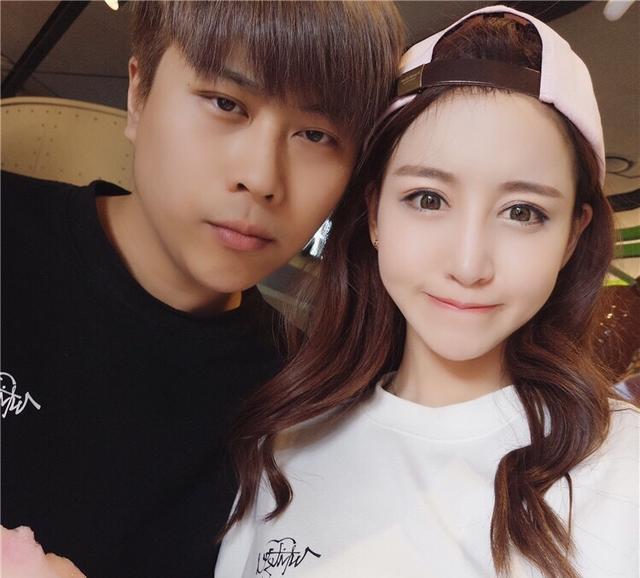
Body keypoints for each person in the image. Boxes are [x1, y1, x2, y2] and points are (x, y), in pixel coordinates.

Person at [217, 5, 639, 578]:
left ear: (571, 236)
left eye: (522, 212)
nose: (468, 265)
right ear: (374, 214)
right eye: (428, 199)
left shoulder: (622, 475)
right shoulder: (287, 435)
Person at [0, 2, 405, 577]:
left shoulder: (305, 402)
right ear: (138, 93)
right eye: (226, 103)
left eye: (316, 134)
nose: (261, 177)